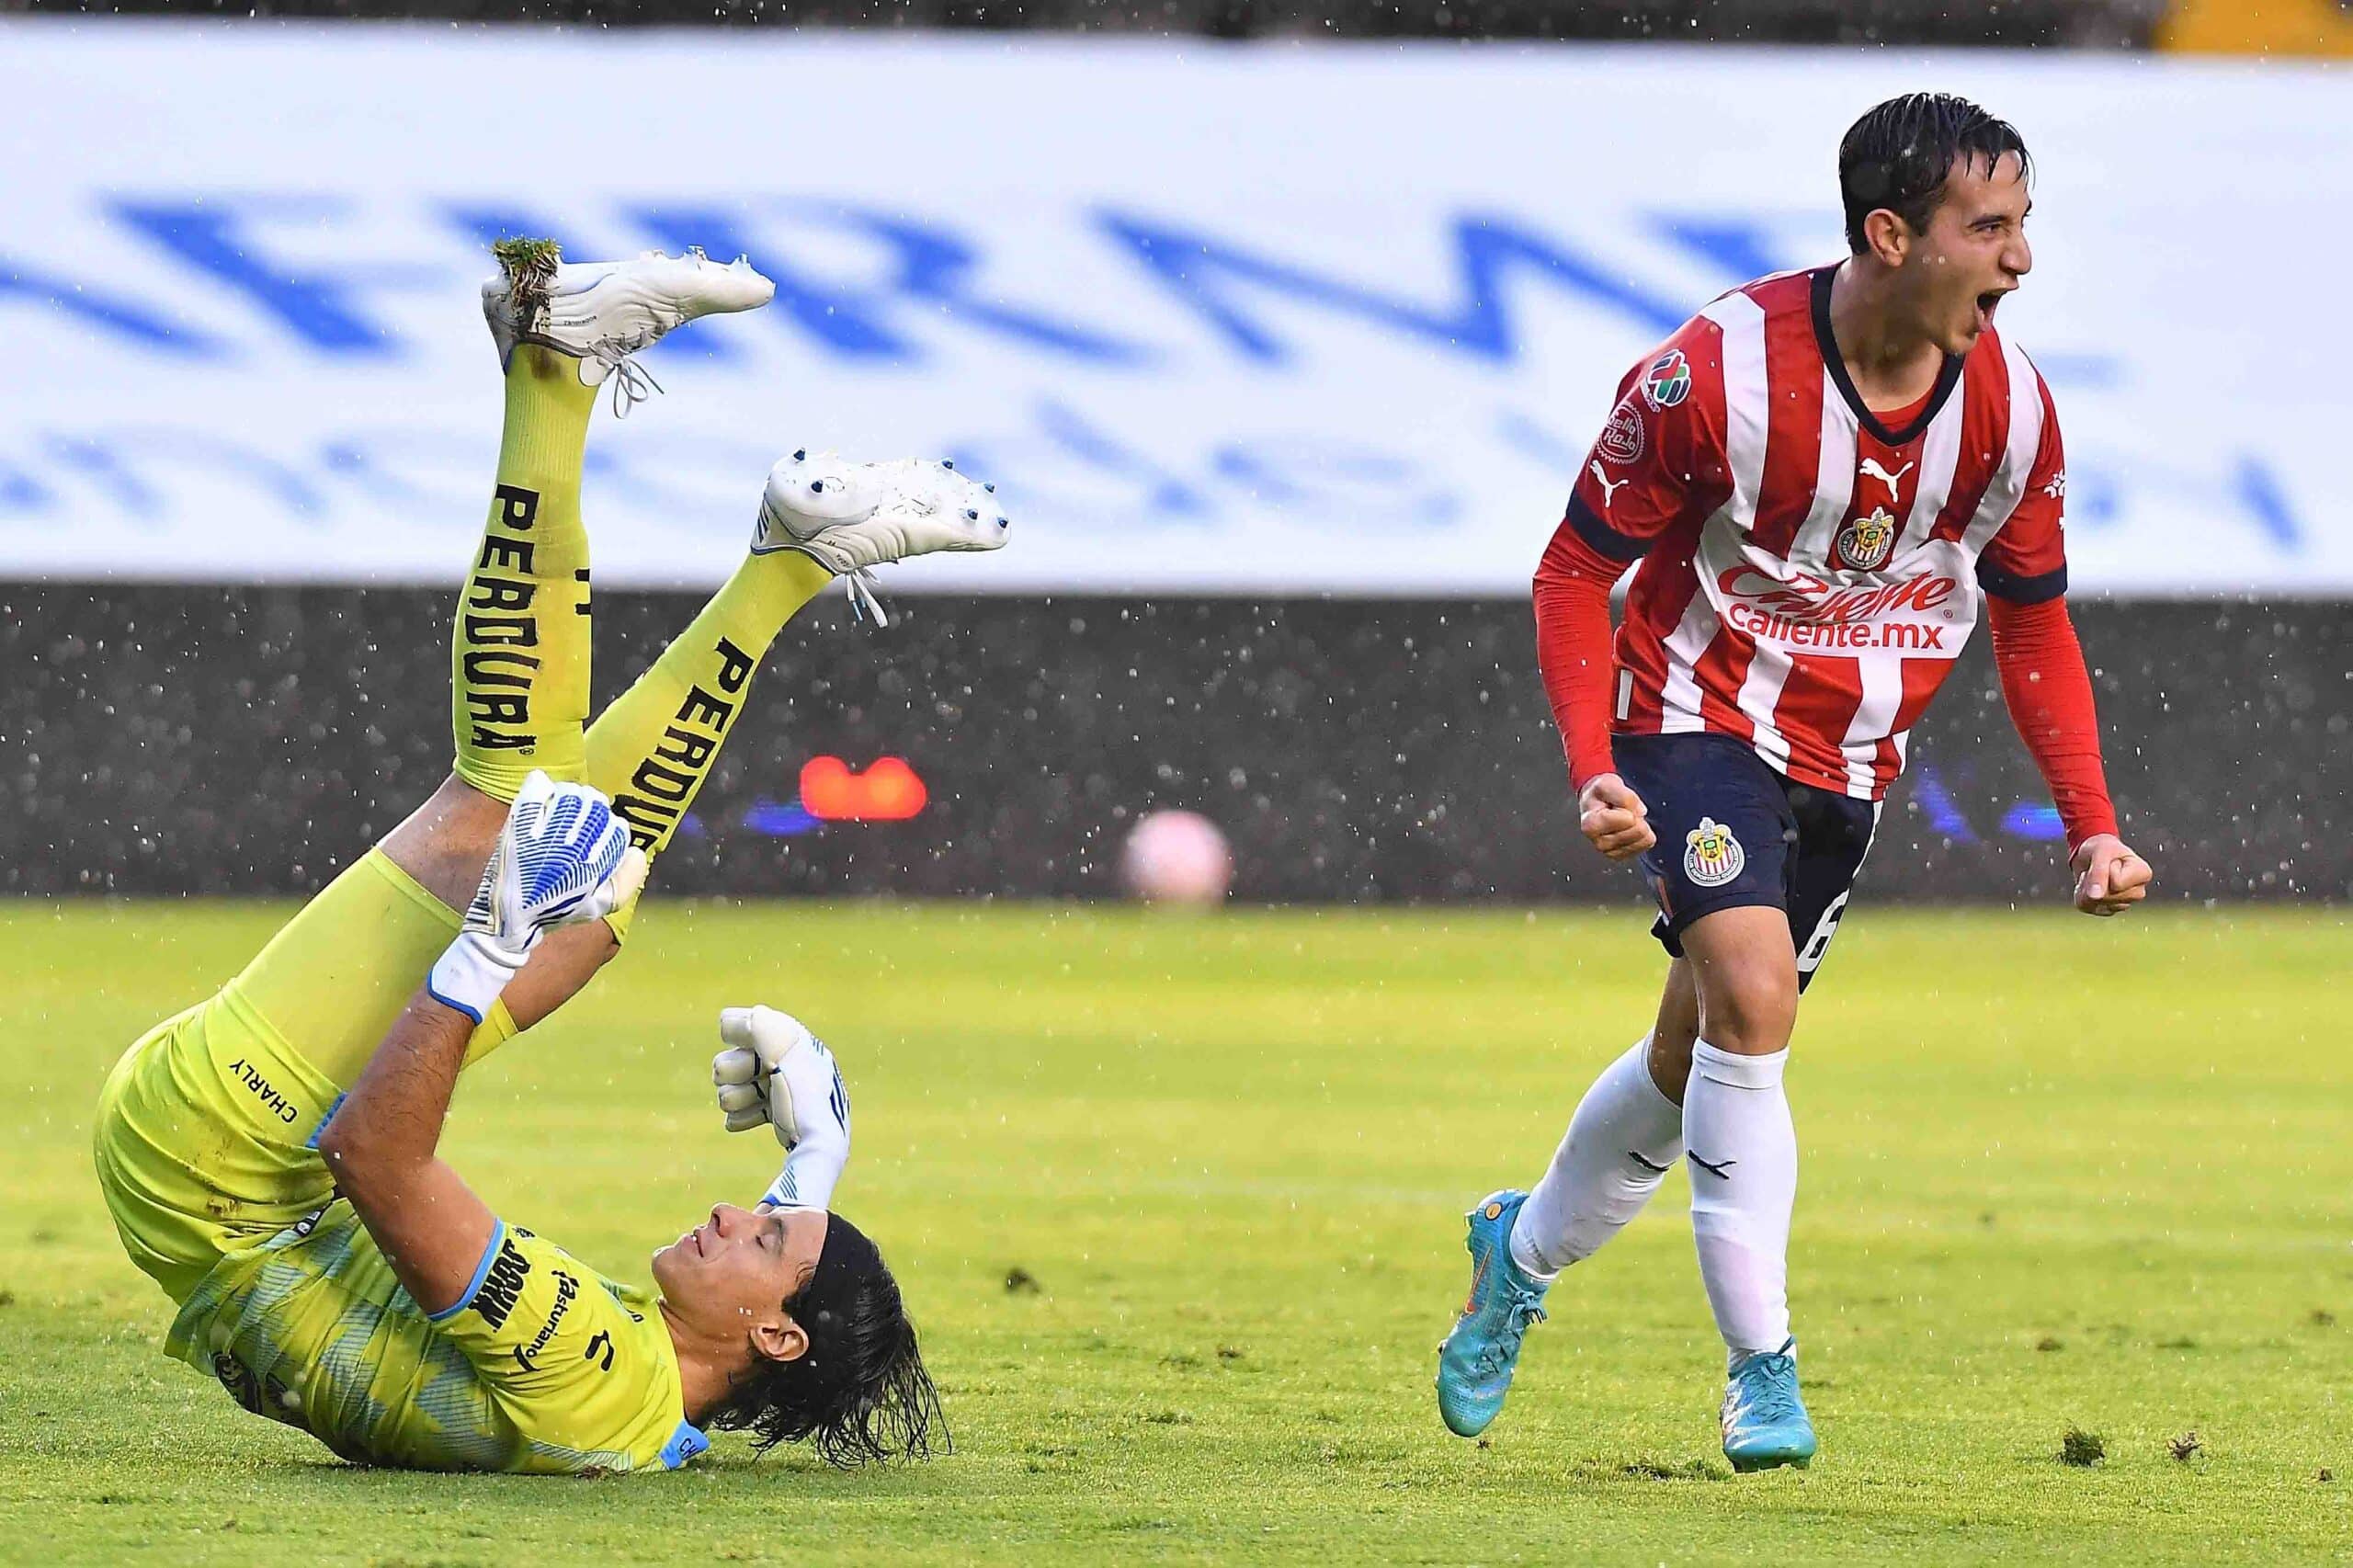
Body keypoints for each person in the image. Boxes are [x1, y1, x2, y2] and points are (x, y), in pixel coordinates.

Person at [91, 241, 1008, 1473]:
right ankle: (786, 568)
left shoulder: (598, 1372)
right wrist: (817, 1156)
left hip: (221, 1165)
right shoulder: (648, 1401)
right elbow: (779, 1256)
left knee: (502, 809)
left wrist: (487, 943)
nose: (738, 1209)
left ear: (778, 1334)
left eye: (765, 1237)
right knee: (601, 899)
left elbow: (373, 1151)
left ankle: (552, 369)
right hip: (242, 1188)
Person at [1434, 94, 2153, 1471]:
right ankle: (1764, 1370)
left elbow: (2034, 616)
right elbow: (1574, 570)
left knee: (1683, 1057)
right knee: (1755, 1003)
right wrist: (1594, 768)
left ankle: (1513, 1255)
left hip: (1851, 759)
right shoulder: (1710, 376)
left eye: (2023, 223)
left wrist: (2092, 825)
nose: (2020, 259)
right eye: (1986, 226)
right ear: (1891, 234)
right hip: (1691, 714)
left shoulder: (2011, 410)